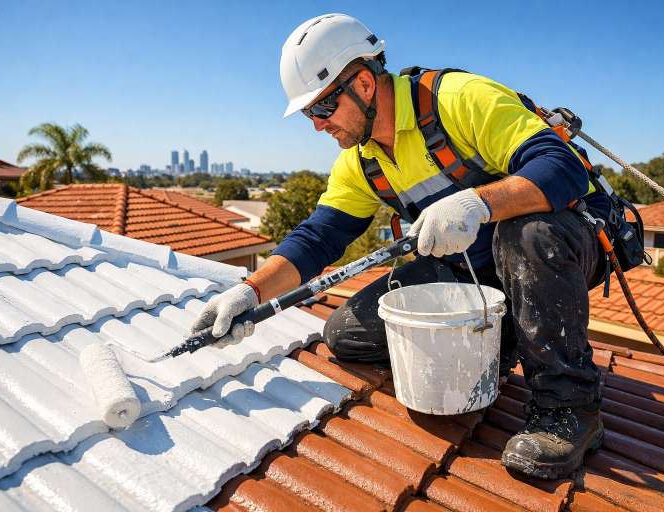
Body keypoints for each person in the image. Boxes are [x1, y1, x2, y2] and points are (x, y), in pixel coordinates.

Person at [192, 13, 610, 480]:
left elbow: (562, 167)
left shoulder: (459, 99)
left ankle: (569, 409)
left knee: (528, 233)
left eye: (322, 108)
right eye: (310, 114)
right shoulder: (362, 161)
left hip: (562, 244)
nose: (318, 126)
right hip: (472, 270)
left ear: (364, 84)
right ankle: (505, 333)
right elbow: (318, 237)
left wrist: (477, 203)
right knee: (347, 334)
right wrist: (250, 292)